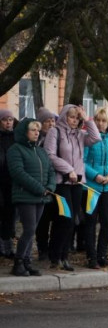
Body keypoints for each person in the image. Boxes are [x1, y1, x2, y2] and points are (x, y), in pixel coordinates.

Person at [44, 104, 100, 270]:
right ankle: (55, 255)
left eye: (77, 118)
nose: (74, 121)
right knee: (64, 219)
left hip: (77, 183)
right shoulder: (56, 132)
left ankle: (64, 256)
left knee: (72, 220)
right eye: (72, 117)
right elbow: (49, 155)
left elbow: (96, 138)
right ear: (64, 117)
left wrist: (87, 118)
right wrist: (68, 170)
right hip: (62, 182)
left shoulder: (80, 135)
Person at [6, 118, 55, 276]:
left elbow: (51, 171)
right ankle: (18, 262)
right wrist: (39, 188)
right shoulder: (15, 149)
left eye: (37, 130)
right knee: (29, 229)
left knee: (32, 230)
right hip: (25, 196)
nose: (36, 133)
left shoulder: (40, 151)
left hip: (41, 196)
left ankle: (26, 261)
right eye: (33, 130)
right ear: (24, 132)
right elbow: (18, 173)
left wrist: (49, 187)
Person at [83, 108, 108, 268]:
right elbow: (82, 161)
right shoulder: (88, 138)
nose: (100, 123)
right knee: (90, 222)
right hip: (91, 187)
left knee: (106, 221)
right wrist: (96, 176)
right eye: (98, 120)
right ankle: (91, 257)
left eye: (104, 120)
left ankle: (102, 254)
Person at [34, 108, 58, 259]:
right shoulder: (37, 140)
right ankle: (42, 248)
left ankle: (53, 247)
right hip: (39, 183)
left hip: (55, 182)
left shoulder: (57, 138)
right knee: (42, 219)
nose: (50, 124)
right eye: (47, 121)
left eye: (52, 121)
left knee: (56, 217)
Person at [0, 109, 16, 259]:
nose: (8, 122)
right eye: (5, 120)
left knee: (10, 214)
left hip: (12, 182)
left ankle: (7, 245)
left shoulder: (16, 138)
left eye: (10, 119)